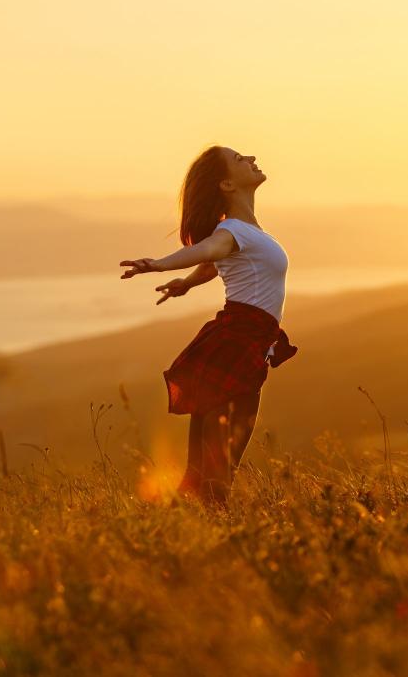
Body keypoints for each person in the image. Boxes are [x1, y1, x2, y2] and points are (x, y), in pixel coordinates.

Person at [120, 145, 297, 507]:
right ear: (227, 185)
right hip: (238, 343)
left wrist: (186, 282)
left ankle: (187, 527)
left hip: (240, 341)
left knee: (207, 467)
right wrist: (158, 265)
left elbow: (216, 264)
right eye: (238, 159)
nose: (251, 158)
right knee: (218, 467)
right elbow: (209, 250)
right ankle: (204, 537)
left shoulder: (247, 232)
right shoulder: (231, 230)